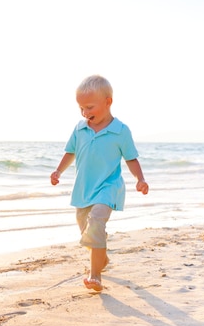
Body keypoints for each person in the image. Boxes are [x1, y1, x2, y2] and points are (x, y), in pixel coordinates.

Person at [50, 75, 149, 292]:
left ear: (108, 102)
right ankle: (101, 259)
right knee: (88, 230)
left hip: (108, 188)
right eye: (81, 108)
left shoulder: (121, 131)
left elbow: (131, 158)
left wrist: (140, 179)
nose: (85, 113)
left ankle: (95, 275)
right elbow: (70, 153)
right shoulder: (79, 129)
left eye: (89, 107)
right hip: (83, 190)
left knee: (96, 222)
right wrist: (58, 170)